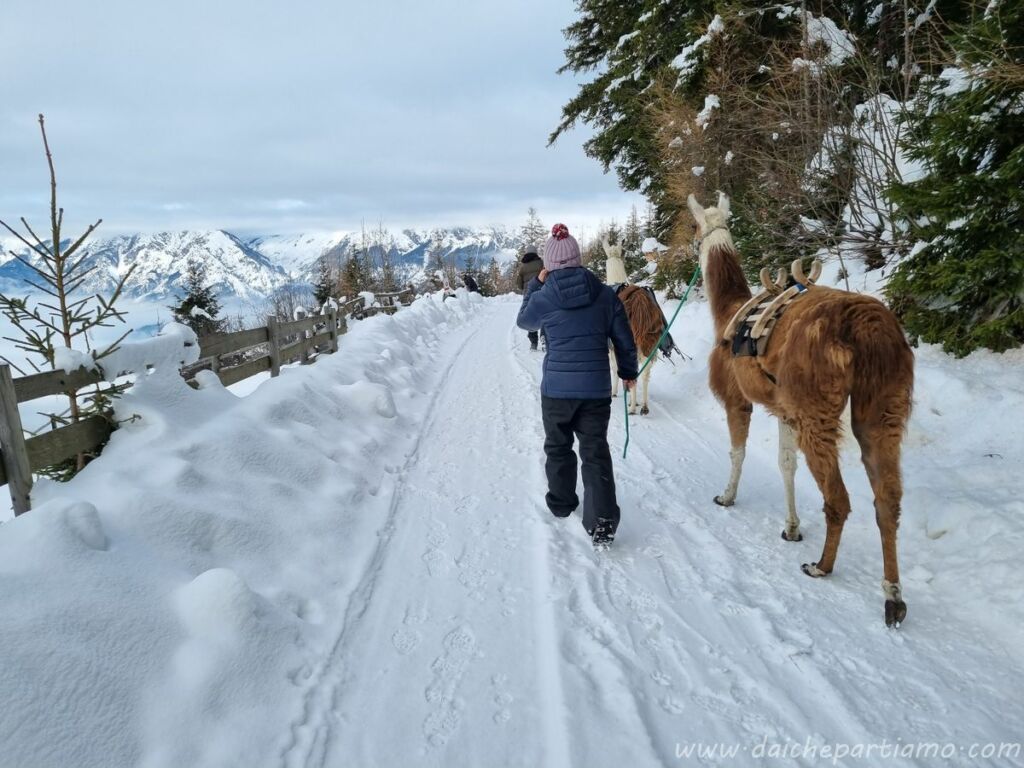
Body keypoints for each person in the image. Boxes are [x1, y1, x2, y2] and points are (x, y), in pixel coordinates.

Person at [516, 223, 638, 549]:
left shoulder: (544, 297)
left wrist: (533, 286)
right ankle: (602, 517)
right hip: (596, 390)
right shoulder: (604, 295)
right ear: (578, 259)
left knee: (558, 446)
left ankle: (561, 502)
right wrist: (628, 372)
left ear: (549, 265)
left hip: (556, 389)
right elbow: (624, 340)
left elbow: (524, 321)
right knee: (594, 450)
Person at [515, 245, 544, 350]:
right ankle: (544, 337)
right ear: (535, 253)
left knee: (531, 316)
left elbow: (519, 284)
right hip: (542, 292)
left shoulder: (522, 267)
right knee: (544, 315)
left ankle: (533, 342)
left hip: (528, 294)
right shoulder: (541, 263)